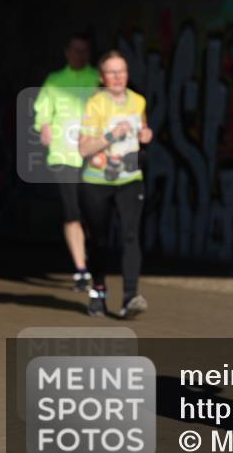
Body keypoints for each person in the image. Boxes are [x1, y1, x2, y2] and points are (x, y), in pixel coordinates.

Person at [77, 50, 153, 318]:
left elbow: (141, 133)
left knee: (130, 236)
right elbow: (84, 148)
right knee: (99, 240)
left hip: (130, 179)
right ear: (102, 77)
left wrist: (146, 135)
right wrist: (111, 135)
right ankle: (98, 290)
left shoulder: (138, 101)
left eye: (122, 71)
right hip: (97, 182)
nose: (119, 76)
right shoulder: (95, 104)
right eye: (112, 72)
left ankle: (131, 296)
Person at [33, 33, 100, 291]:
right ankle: (81, 270)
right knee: (72, 212)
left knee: (93, 213)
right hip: (64, 154)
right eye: (75, 50)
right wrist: (45, 126)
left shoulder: (98, 78)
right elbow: (42, 109)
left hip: (94, 154)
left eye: (84, 50)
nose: (80, 55)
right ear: (66, 52)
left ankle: (94, 261)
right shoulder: (54, 80)